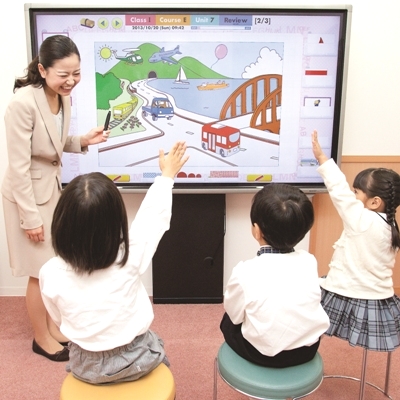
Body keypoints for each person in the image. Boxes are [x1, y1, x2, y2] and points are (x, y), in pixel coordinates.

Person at [39, 141, 189, 384]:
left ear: (61, 223)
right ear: (115, 221)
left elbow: (59, 318)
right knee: (154, 345)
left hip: (85, 365)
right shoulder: (129, 257)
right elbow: (153, 217)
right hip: (136, 359)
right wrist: (167, 175)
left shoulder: (50, 272)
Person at [1, 35, 109, 361]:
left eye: (76, 73)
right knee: (40, 271)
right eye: (63, 74)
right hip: (27, 197)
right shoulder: (22, 103)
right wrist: (29, 218)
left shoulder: (61, 98)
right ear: (42, 69)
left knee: (52, 266)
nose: (71, 81)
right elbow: (19, 167)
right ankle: (40, 338)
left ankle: (52, 328)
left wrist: (81, 140)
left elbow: (50, 143)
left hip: (50, 192)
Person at [220, 183, 330, 368]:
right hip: (307, 350)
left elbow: (234, 315)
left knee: (228, 321)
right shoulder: (309, 260)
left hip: (264, 355)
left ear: (256, 230)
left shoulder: (245, 271)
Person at [311, 130, 400, 351]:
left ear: (374, 202)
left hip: (347, 291)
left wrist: (323, 159)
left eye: (357, 193)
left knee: (307, 317)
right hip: (379, 297)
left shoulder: (362, 219)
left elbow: (339, 191)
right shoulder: (392, 225)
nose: (353, 197)